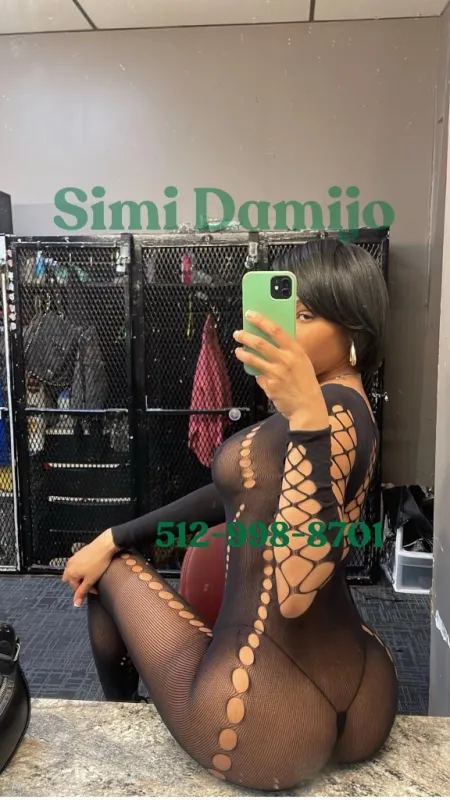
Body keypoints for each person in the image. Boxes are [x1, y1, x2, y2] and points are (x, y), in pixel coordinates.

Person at [62, 238, 397, 792]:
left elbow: (294, 589)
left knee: (104, 574)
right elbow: (236, 493)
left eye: (306, 316)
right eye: (287, 312)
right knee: (109, 550)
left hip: (261, 711)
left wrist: (306, 418)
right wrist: (118, 532)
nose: (285, 329)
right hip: (365, 689)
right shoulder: (350, 404)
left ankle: (121, 727)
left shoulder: (325, 411)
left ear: (355, 331)